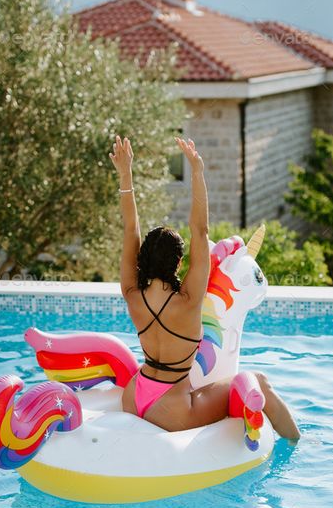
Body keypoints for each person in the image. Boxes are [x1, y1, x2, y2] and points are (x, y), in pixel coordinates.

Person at [109, 134, 300, 441]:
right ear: (180, 261)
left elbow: (130, 228)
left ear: (142, 257)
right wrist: (197, 171)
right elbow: (201, 230)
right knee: (260, 382)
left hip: (134, 395)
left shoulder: (132, 294)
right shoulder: (188, 298)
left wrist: (125, 173)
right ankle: (299, 443)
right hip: (172, 407)